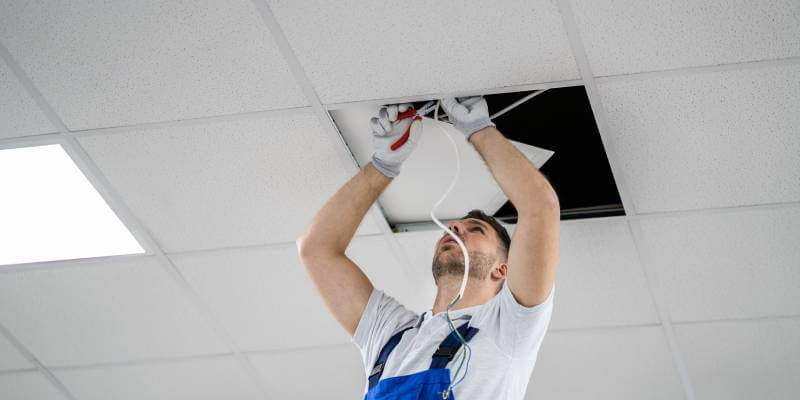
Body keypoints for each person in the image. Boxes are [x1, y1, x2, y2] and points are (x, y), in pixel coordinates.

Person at [296, 96, 560, 399]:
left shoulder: (509, 327)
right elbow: (315, 248)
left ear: (503, 269)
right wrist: (383, 165)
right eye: (455, 227)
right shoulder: (392, 335)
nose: (456, 228)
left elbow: (541, 206)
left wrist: (480, 130)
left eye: (476, 230)